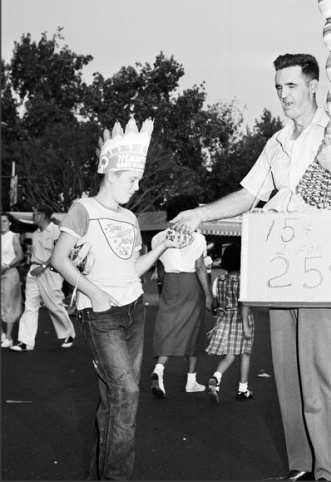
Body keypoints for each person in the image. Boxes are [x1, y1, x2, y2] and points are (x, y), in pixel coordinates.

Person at [171, 53, 331, 482]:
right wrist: (200, 213)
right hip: (281, 268)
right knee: (288, 375)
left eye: (292, 86)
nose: (283, 95)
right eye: (279, 87)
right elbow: (248, 195)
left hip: (321, 270)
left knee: (325, 378)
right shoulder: (277, 142)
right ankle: (302, 466)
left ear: (314, 85)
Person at [51, 117, 194, 480]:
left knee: (114, 400)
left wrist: (160, 245)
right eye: (132, 179)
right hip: (100, 315)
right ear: (112, 173)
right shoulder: (83, 209)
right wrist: (95, 293)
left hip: (133, 310)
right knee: (128, 393)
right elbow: (58, 258)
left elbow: (133, 268)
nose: (136, 186)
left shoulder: (130, 217)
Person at [150, 194, 213, 398]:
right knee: (193, 329)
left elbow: (159, 269)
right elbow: (200, 268)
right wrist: (209, 295)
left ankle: (159, 369)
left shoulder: (158, 238)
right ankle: (191, 380)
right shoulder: (197, 238)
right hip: (191, 284)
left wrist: (162, 288)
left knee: (168, 326)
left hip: (169, 282)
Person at [10, 205, 76, 352]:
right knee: (30, 306)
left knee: (54, 305)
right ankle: (25, 342)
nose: (33, 217)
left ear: (43, 216)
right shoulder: (35, 234)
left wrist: (43, 267)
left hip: (50, 272)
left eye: (35, 214)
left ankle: (69, 333)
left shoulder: (56, 231)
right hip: (34, 271)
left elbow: (60, 252)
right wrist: (35, 268)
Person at [206, 242, 254, 402]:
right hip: (241, 319)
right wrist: (246, 327)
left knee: (229, 355)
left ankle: (216, 378)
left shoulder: (218, 280)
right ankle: (243, 389)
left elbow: (215, 302)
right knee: (245, 354)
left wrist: (215, 311)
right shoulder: (243, 282)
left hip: (225, 319)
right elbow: (244, 305)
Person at [1, 213, 24, 348]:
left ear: (9, 223)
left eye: (4, 221)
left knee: (8, 304)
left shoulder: (13, 236)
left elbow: (20, 255)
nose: (1, 223)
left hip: (9, 272)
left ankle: (9, 338)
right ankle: (2, 334)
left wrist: (8, 265)